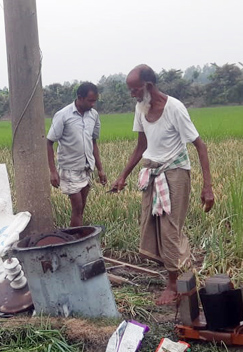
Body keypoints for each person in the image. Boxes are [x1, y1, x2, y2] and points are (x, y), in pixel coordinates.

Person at [109, 64, 214, 305]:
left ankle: (173, 284)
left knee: (169, 229)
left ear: (147, 86)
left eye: (134, 89)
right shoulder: (140, 108)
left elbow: (200, 146)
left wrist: (207, 187)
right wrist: (123, 175)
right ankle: (180, 264)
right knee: (153, 227)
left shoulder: (174, 108)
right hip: (152, 171)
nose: (131, 94)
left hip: (175, 173)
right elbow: (141, 146)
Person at [46, 82, 107, 227]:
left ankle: (75, 237)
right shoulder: (63, 115)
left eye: (95, 101)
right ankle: (76, 239)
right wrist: (53, 172)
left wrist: (100, 169)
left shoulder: (93, 115)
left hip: (86, 167)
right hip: (69, 168)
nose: (93, 104)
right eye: (90, 100)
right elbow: (49, 142)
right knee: (77, 207)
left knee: (81, 209)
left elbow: (93, 142)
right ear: (80, 97)